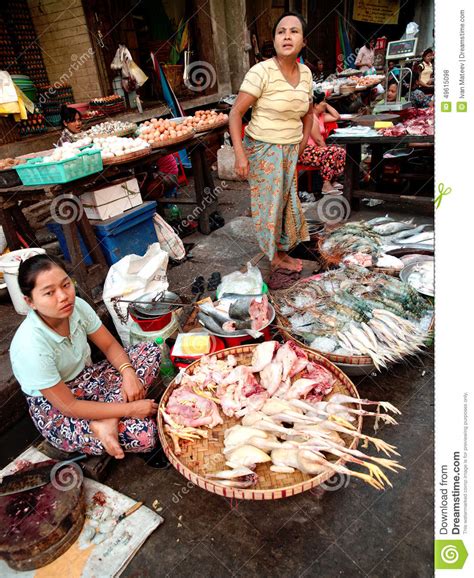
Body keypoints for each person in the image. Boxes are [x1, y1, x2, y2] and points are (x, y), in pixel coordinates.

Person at [10, 254, 160, 459]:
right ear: (30, 302)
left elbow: (108, 345)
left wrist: (128, 373)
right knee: (145, 435)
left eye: (66, 285)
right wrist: (131, 408)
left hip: (89, 378)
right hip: (57, 408)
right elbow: (69, 406)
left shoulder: (77, 307)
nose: (63, 296)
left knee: (149, 350)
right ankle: (101, 424)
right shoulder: (30, 347)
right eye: (49, 293)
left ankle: (109, 421)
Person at [229, 12, 313, 282]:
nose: (287, 36)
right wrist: (240, 155)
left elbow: (308, 114)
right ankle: (273, 257)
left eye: (294, 31)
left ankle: (280, 250)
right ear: (275, 40)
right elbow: (235, 114)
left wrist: (300, 146)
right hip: (264, 148)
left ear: (303, 41)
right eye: (281, 32)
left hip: (290, 149)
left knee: (287, 202)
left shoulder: (307, 73)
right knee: (269, 206)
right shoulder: (261, 72)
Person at [299, 90, 346, 194]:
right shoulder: (310, 117)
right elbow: (318, 140)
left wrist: (326, 104)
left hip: (316, 150)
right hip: (305, 150)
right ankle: (326, 184)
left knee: (341, 151)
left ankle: (333, 180)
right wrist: (327, 149)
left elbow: (337, 116)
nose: (324, 105)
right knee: (331, 152)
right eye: (323, 103)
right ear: (315, 105)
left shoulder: (321, 117)